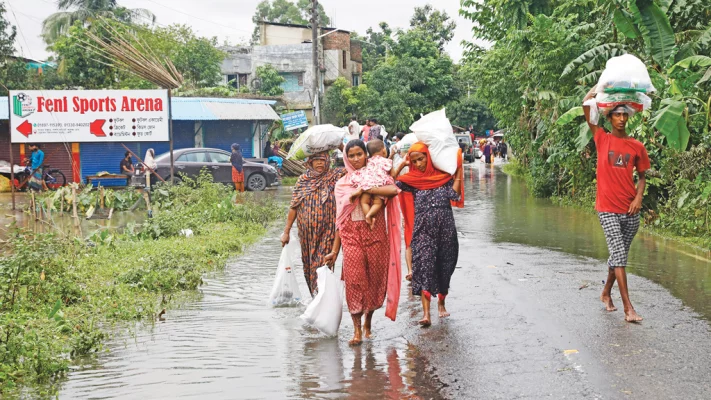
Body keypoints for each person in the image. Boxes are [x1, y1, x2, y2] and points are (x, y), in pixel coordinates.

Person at [325, 140, 401, 346]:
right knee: (355, 282)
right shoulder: (342, 185)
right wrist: (334, 251)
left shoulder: (376, 176)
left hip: (376, 237)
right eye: (352, 156)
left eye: (360, 154)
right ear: (346, 158)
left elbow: (394, 191)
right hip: (351, 238)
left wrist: (367, 187)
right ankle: (357, 330)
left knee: (375, 282)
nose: (356, 159)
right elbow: (340, 222)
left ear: (366, 155)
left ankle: (368, 322)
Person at [583, 87, 649, 323]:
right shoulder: (602, 138)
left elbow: (642, 176)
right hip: (607, 208)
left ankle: (605, 293)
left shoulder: (636, 146)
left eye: (624, 115)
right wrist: (597, 89)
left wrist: (638, 198)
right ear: (609, 118)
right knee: (619, 255)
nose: (621, 119)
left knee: (617, 256)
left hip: (630, 210)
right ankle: (628, 308)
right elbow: (586, 107)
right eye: (617, 115)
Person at [393, 142, 464, 327]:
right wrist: (402, 165)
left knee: (444, 267)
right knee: (424, 266)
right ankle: (426, 314)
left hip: (446, 231)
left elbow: (454, 195)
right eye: (414, 160)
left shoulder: (442, 177)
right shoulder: (412, 180)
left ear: (428, 157)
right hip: (423, 231)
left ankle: (441, 303)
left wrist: (457, 172)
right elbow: (391, 183)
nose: (418, 163)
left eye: (421, 159)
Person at [282, 151, 346, 296]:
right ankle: (315, 300)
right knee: (308, 267)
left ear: (328, 161)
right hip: (306, 234)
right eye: (316, 160)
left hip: (328, 231)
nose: (319, 163)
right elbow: (294, 206)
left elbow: (354, 166)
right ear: (309, 162)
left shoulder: (335, 176)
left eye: (322, 160)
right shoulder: (303, 180)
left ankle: (322, 299)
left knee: (323, 266)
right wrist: (286, 232)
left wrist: (342, 146)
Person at [349, 140, 395, 228]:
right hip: (379, 184)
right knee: (378, 203)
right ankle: (370, 215)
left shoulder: (368, 161)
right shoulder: (387, 161)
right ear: (384, 151)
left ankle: (368, 217)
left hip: (367, 182)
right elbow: (393, 175)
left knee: (364, 202)